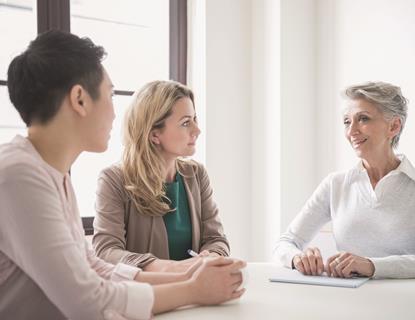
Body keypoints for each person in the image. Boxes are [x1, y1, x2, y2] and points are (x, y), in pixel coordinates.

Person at [0, 30, 244, 320]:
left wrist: (188, 275)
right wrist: (193, 289)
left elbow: (96, 268)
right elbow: (88, 300)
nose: (116, 114)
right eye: (111, 94)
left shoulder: (52, 173)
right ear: (80, 99)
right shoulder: (18, 176)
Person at [273, 81, 415, 279]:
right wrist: (297, 258)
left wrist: (372, 266)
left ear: (394, 126)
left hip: (407, 304)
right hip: (347, 301)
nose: (351, 131)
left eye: (363, 119)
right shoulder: (335, 184)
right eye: (347, 121)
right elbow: (285, 243)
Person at [93, 80, 229, 273]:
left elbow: (216, 239)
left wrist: (211, 256)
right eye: (185, 123)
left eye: (195, 119)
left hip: (197, 292)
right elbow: (106, 251)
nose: (197, 130)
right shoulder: (113, 179)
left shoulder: (197, 175)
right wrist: (170, 268)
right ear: (154, 134)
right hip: (147, 296)